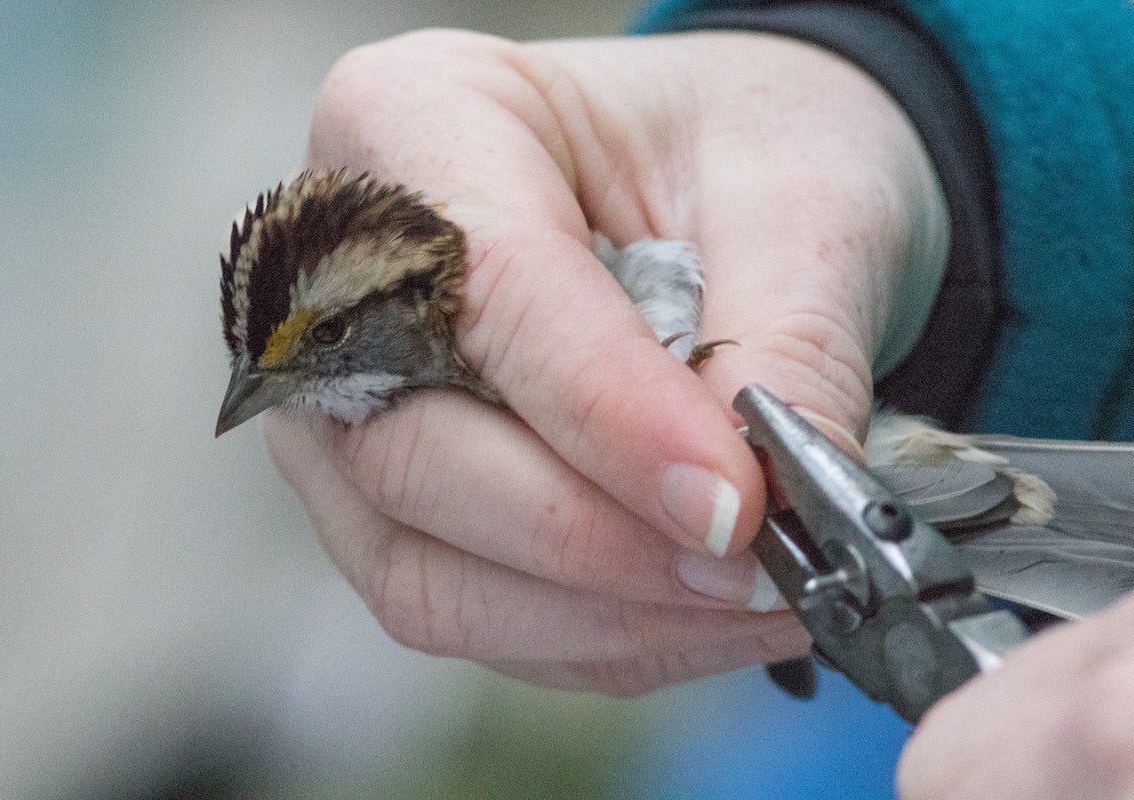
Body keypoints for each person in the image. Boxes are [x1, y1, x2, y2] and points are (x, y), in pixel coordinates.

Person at [262, 1, 1134, 796]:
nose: (275, 395)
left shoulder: (548, 275)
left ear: (404, 296)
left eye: (327, 340)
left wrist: (899, 85)